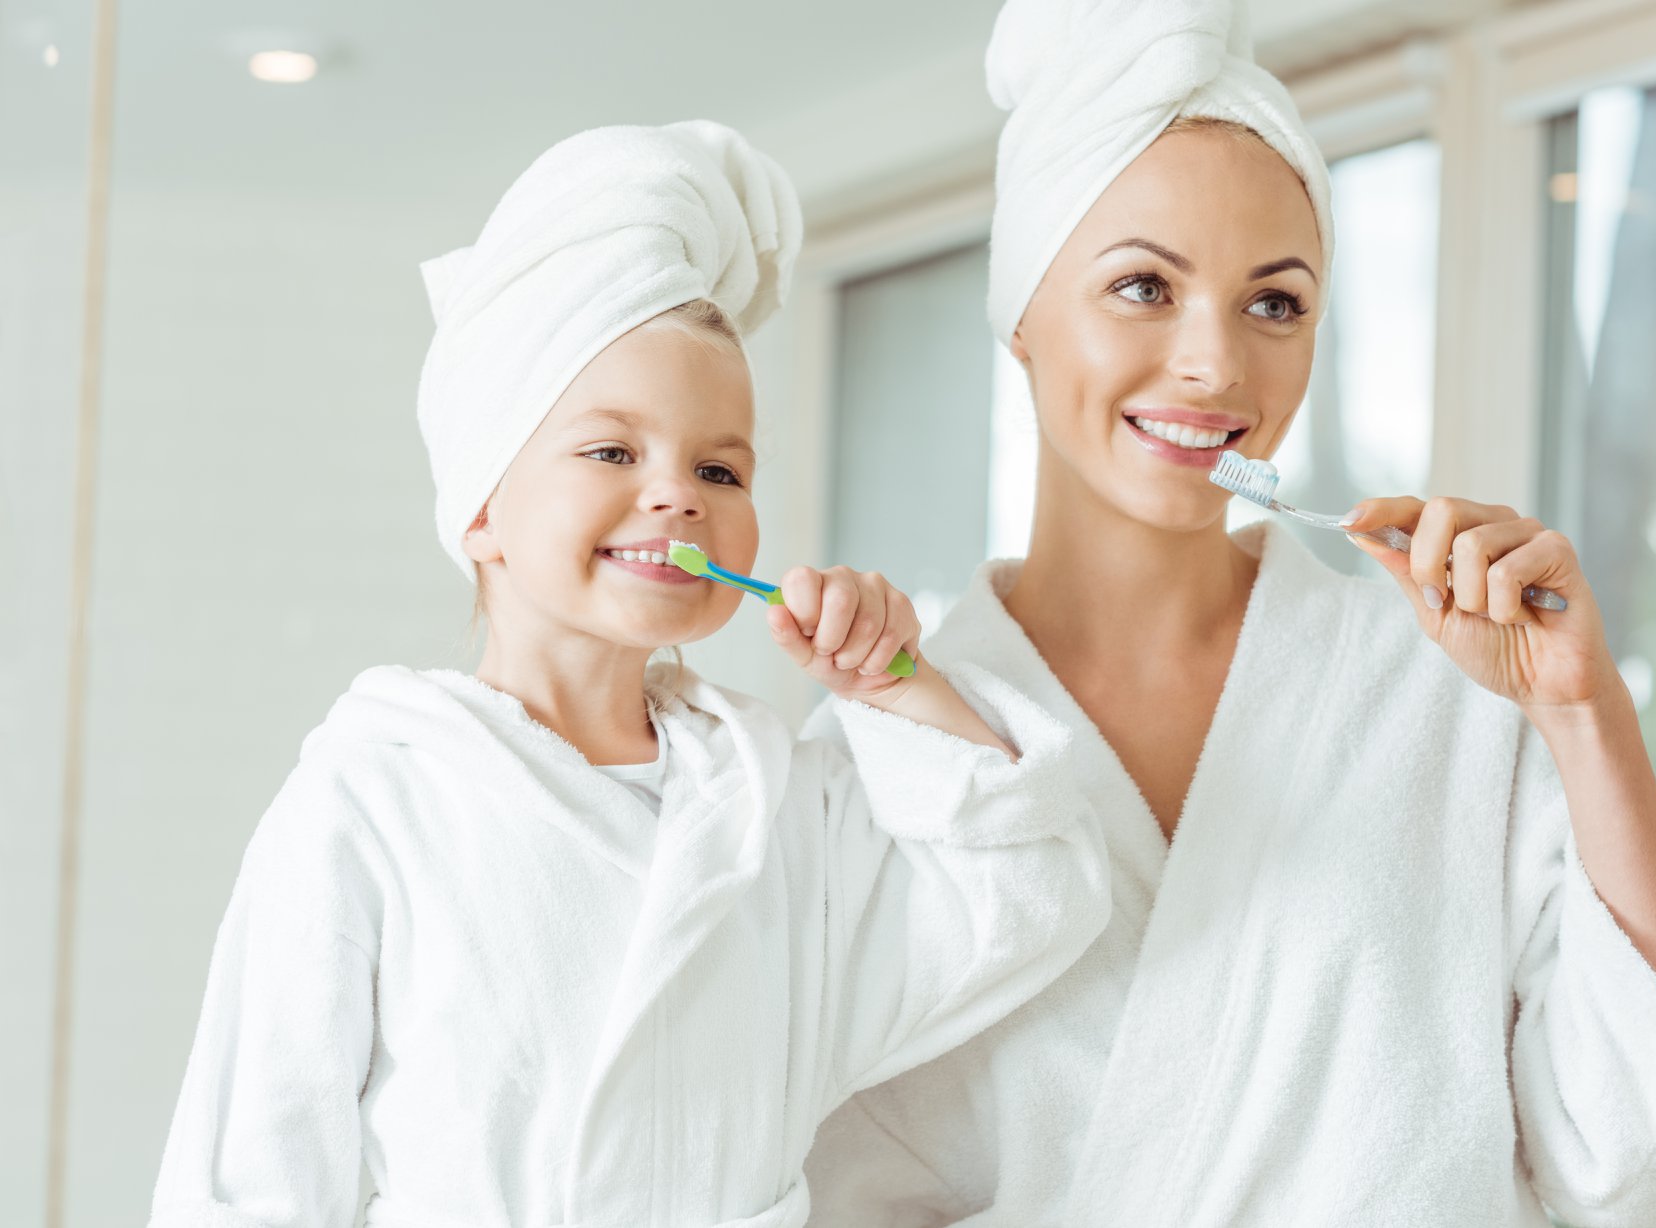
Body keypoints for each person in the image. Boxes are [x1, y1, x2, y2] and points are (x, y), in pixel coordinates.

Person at [803, 2, 1656, 1224]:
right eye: (1141, 286)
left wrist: (1584, 716)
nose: (1215, 363)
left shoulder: (1445, 695)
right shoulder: (883, 751)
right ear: (1020, 314)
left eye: (1273, 303)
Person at [147, 120, 1108, 1228]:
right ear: (479, 506)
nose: (678, 494)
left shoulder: (775, 798)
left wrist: (899, 690)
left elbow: (1025, 902)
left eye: (718, 466)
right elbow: (249, 1175)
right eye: (612, 451)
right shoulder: (378, 796)